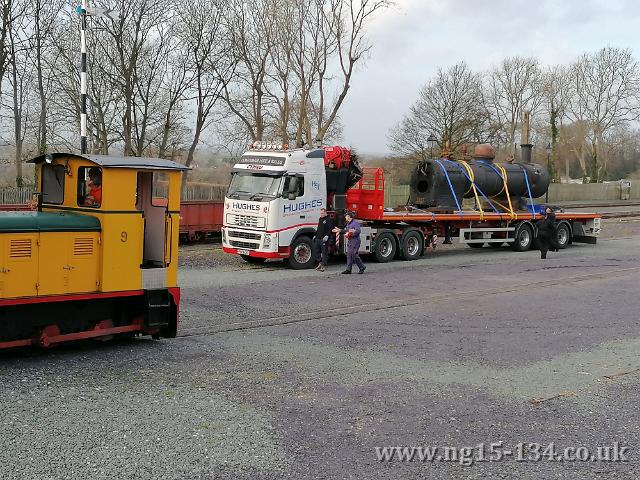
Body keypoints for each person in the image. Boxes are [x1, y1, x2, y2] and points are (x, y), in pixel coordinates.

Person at [314, 208, 334, 272]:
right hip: (318, 238)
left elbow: (330, 228)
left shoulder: (329, 219)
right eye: (320, 213)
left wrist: (327, 235)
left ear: (325, 213)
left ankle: (323, 266)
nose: (321, 214)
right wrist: (316, 235)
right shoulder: (320, 219)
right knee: (316, 251)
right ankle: (320, 263)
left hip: (324, 239)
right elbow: (319, 227)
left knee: (324, 252)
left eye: (322, 213)